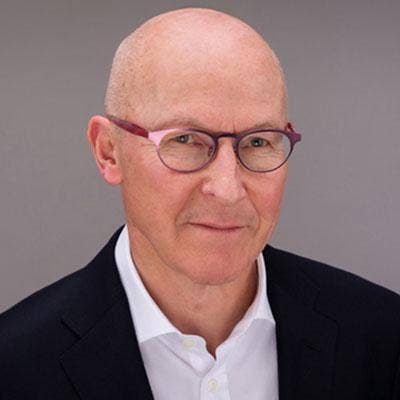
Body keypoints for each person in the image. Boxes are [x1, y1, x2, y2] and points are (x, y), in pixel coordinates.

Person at [0, 7, 399, 400]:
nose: (227, 189)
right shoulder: (13, 367)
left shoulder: (384, 339)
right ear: (109, 152)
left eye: (258, 141)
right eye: (185, 140)